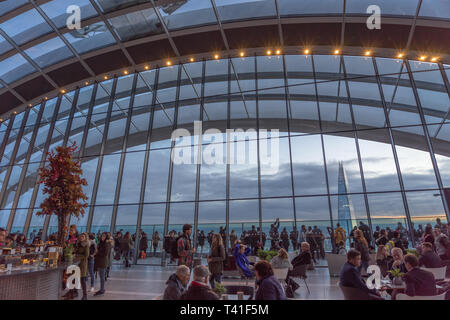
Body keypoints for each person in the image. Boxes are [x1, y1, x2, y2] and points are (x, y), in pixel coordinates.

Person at [74, 232, 90, 300]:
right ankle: (75, 292)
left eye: (83, 237)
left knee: (82, 280)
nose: (81, 238)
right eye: (81, 236)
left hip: (83, 264)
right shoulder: (78, 244)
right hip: (77, 263)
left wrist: (78, 256)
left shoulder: (86, 245)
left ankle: (85, 295)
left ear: (85, 238)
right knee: (76, 279)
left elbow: (86, 255)